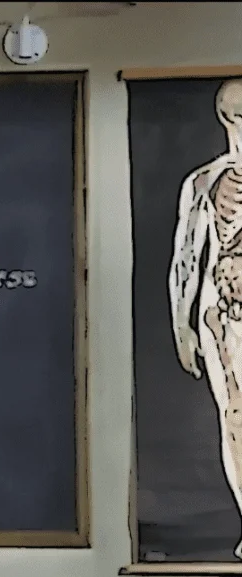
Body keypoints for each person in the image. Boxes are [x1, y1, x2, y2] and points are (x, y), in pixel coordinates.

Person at [170, 78, 242, 561]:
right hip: (224, 320)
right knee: (235, 419)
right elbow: (186, 257)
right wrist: (183, 325)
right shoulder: (203, 183)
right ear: (225, 119)